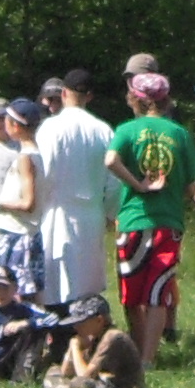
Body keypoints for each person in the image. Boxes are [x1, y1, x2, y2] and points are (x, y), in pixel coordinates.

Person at [106, 71, 195, 369]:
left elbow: (110, 160)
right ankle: (148, 358)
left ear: (136, 98)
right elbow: (193, 185)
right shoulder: (179, 133)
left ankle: (136, 353)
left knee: (131, 293)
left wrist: (137, 185)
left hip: (133, 219)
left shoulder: (127, 129)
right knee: (158, 291)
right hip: (169, 222)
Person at [33, 67, 117, 314]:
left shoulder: (51, 127)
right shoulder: (103, 130)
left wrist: (34, 206)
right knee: (85, 281)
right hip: (91, 215)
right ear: (89, 96)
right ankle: (85, 328)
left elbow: (43, 171)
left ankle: (58, 329)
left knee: (55, 280)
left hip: (56, 211)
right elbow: (114, 181)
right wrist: (110, 213)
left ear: (64, 93)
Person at [0, 95, 45, 300]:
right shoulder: (36, 154)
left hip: (19, 233)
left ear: (15, 125)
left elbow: (28, 203)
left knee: (16, 295)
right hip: (23, 232)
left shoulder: (25, 157)